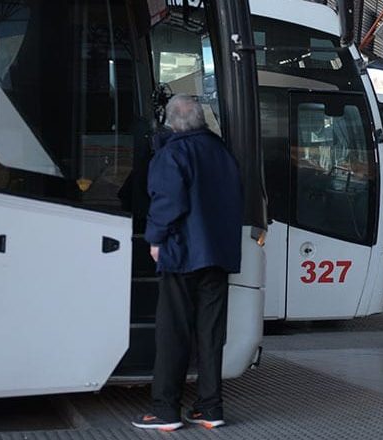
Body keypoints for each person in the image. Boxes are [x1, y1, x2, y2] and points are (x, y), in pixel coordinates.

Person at [133, 94, 243, 431]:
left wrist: (155, 239)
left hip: (182, 255)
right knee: (210, 335)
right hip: (219, 256)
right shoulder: (222, 152)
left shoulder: (173, 153)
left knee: (173, 334)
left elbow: (168, 201)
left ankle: (165, 410)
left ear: (172, 122)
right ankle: (210, 408)